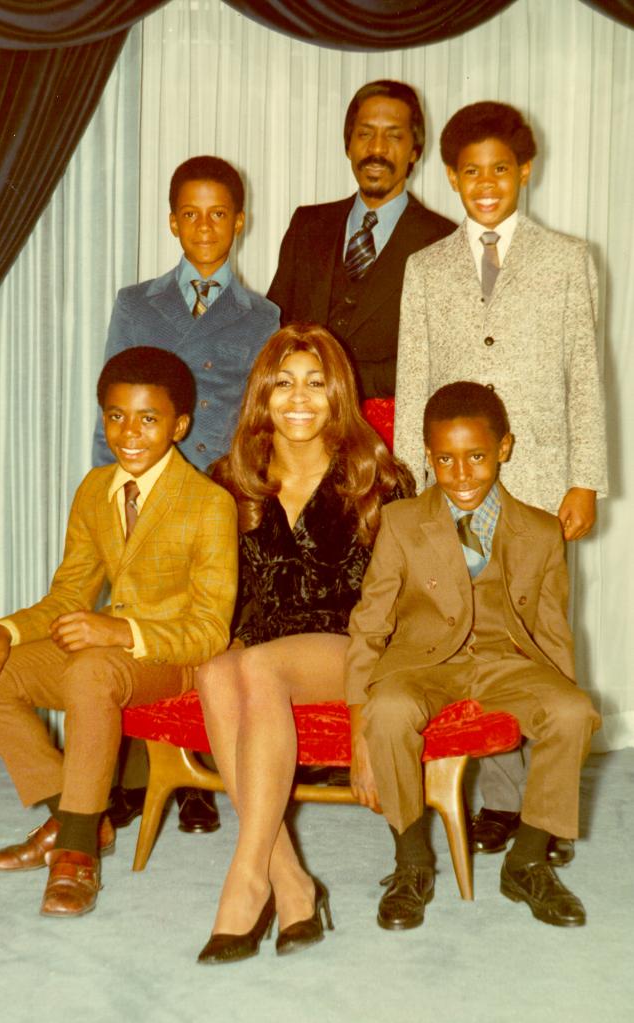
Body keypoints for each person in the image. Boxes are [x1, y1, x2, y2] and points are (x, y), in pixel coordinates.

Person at [392, 101, 607, 858]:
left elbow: (585, 371)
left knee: (538, 641)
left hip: (539, 481)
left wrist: (583, 477)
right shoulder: (425, 268)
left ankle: (539, 813)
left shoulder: (566, 258)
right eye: (470, 172)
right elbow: (412, 377)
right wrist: (410, 485)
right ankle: (499, 797)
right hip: (452, 483)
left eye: (500, 169)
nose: (486, 184)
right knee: (467, 634)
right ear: (450, 177)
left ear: (525, 171)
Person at [0, 347, 238, 917]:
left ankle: (76, 855)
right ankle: (77, 816)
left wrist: (120, 632)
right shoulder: (94, 489)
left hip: (172, 659)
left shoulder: (210, 504)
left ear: (180, 425)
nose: (129, 433)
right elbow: (67, 596)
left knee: (90, 669)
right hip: (106, 664)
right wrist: (5, 631)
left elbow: (209, 630)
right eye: (115, 416)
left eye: (148, 418)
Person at [195, 324, 413, 964]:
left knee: (258, 666)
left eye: (316, 384)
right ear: (261, 397)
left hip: (353, 649)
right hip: (266, 648)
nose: (299, 398)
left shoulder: (379, 479)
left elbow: (402, 610)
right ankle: (292, 883)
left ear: (338, 394)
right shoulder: (230, 481)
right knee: (214, 669)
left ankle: (246, 879)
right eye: (283, 383)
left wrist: (369, 719)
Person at [347, 381, 600, 931]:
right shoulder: (402, 523)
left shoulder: (540, 531)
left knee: (574, 710)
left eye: (477, 457)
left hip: (504, 661)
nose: (461, 475)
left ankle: (529, 859)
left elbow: (553, 630)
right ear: (428, 454)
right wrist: (356, 723)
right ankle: (411, 862)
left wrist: (557, 702)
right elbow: (369, 626)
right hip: (421, 664)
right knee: (387, 711)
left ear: (504, 449)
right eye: (445, 460)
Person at [93, 156, 279, 833]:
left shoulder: (263, 316)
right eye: (191, 214)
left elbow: (258, 422)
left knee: (203, 629)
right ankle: (123, 774)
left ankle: (196, 776)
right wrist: (103, 497)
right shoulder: (135, 303)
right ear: (173, 221)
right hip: (142, 489)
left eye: (218, 214)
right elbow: (107, 410)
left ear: (239, 222)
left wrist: (250, 499)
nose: (205, 226)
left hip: (215, 497)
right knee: (127, 623)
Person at [267, 80, 455, 399]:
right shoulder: (306, 225)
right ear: (349, 145)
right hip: (303, 428)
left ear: (414, 151)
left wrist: (337, 381)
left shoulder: (445, 241)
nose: (377, 150)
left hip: (389, 435)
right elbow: (274, 328)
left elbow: (440, 359)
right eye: (365, 134)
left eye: (393, 136)